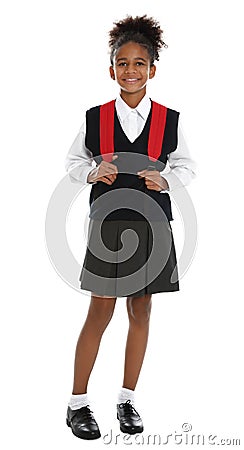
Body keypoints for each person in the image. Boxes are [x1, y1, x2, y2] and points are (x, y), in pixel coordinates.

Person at [64, 14, 196, 440]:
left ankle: (127, 399)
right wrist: (90, 172)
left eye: (140, 63)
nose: (131, 70)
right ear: (111, 70)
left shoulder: (169, 120)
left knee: (141, 309)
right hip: (107, 224)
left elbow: (188, 166)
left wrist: (167, 178)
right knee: (100, 309)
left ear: (152, 69)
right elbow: (72, 163)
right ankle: (77, 403)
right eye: (123, 63)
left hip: (153, 225)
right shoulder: (95, 117)